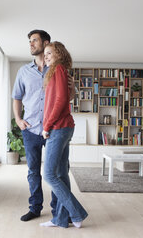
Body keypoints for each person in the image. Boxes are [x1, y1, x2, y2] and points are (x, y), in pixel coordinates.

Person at [12, 30, 75, 222]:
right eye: (29, 41)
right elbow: (17, 97)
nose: (31, 44)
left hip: (54, 129)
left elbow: (68, 99)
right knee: (33, 171)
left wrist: (71, 88)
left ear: (45, 43)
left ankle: (59, 211)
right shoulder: (23, 71)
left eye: (35, 40)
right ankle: (35, 207)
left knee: (58, 170)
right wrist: (17, 119)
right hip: (30, 129)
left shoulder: (58, 69)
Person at [40, 41, 88, 228]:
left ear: (59, 54)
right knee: (61, 172)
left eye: (50, 53)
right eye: (45, 54)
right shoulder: (57, 71)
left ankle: (77, 213)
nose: (47, 56)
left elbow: (60, 101)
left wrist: (47, 126)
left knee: (49, 175)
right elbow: (63, 97)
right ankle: (61, 219)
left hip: (58, 127)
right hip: (63, 127)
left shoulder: (58, 69)